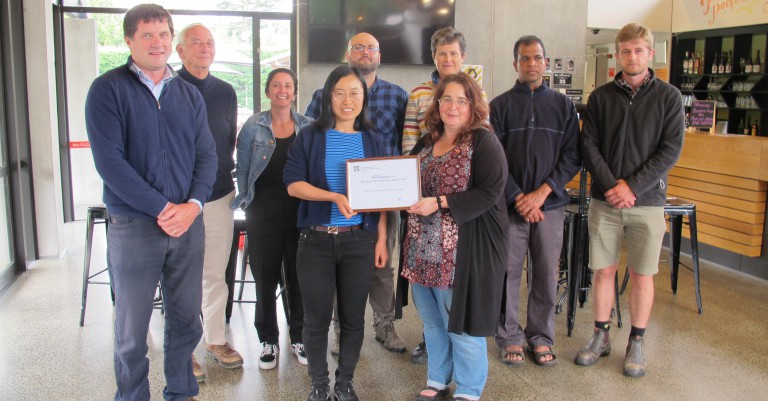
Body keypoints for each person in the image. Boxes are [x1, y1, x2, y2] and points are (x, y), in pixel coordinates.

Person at [84, 4, 217, 401]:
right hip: (135, 227)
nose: (157, 43)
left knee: (184, 322)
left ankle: (181, 391)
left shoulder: (188, 95)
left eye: (163, 35)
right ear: (129, 40)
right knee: (131, 330)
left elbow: (207, 156)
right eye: (147, 35)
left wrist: (193, 205)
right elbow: (111, 164)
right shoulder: (107, 90)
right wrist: (163, 209)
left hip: (187, 226)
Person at [576, 23, 684, 377]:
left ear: (650, 53)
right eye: (626, 51)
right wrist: (611, 186)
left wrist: (632, 187)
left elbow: (670, 150)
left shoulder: (668, 97)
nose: (632, 56)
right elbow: (588, 145)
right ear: (617, 55)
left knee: (642, 275)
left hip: (648, 201)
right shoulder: (601, 97)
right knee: (603, 271)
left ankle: (636, 341)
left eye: (639, 50)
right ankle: (600, 335)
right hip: (606, 201)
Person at [401, 72, 508, 401]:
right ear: (437, 103)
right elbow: (404, 178)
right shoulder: (427, 141)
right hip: (421, 248)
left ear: (473, 105)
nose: (453, 106)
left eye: (462, 100)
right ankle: (437, 379)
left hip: (462, 252)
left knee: (459, 323)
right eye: (447, 98)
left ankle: (469, 389)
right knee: (432, 322)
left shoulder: (483, 141)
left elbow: (491, 191)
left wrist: (441, 202)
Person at [285, 66, 388, 401]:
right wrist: (332, 196)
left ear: (364, 98)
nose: (347, 100)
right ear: (328, 96)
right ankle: (319, 384)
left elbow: (384, 196)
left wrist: (382, 239)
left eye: (355, 93)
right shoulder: (311, 136)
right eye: (340, 92)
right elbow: (293, 184)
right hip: (315, 241)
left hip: (359, 241)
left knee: (353, 319)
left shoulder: (374, 140)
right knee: (315, 321)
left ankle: (345, 382)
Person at [305, 32, 408, 355]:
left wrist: (402, 187)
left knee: (381, 262)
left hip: (380, 196)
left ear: (380, 55)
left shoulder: (396, 95)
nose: (366, 52)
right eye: (359, 47)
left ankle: (385, 325)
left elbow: (409, 145)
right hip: (335, 194)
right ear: (348, 54)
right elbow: (310, 140)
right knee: (337, 265)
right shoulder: (324, 94)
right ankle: (340, 332)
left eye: (372, 48)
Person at [491, 35, 580, 367]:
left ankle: (540, 336)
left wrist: (542, 193)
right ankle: (509, 335)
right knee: (507, 271)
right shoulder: (498, 107)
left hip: (551, 206)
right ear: (515, 64)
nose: (531, 64)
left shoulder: (563, 107)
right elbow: (494, 159)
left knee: (545, 271)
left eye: (537, 58)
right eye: (524, 58)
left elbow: (572, 156)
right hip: (509, 206)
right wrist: (517, 197)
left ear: (546, 63)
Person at [399, 25, 486, 363]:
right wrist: (411, 189)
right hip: (423, 203)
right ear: (433, 56)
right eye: (442, 54)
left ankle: (464, 369)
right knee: (426, 284)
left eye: (454, 53)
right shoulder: (419, 92)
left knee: (453, 292)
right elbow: (410, 143)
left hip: (460, 211)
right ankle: (432, 347)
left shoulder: (477, 91)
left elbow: (483, 144)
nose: (448, 59)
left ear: (462, 57)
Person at [232, 68, 313, 370]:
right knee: (264, 279)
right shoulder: (253, 126)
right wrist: (247, 202)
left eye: (288, 85)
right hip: (262, 211)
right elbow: (241, 169)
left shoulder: (308, 126)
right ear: (267, 91)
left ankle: (299, 337)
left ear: (294, 91)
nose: (282, 90)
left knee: (298, 277)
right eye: (276, 85)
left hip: (299, 211)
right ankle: (268, 340)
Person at [175, 22, 242, 382]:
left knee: (215, 274)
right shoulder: (168, 88)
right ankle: (183, 350)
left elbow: (226, 139)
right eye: (196, 43)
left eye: (210, 42)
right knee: (181, 277)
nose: (204, 48)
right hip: (178, 201)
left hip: (218, 194)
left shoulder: (226, 91)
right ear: (181, 51)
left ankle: (216, 340)